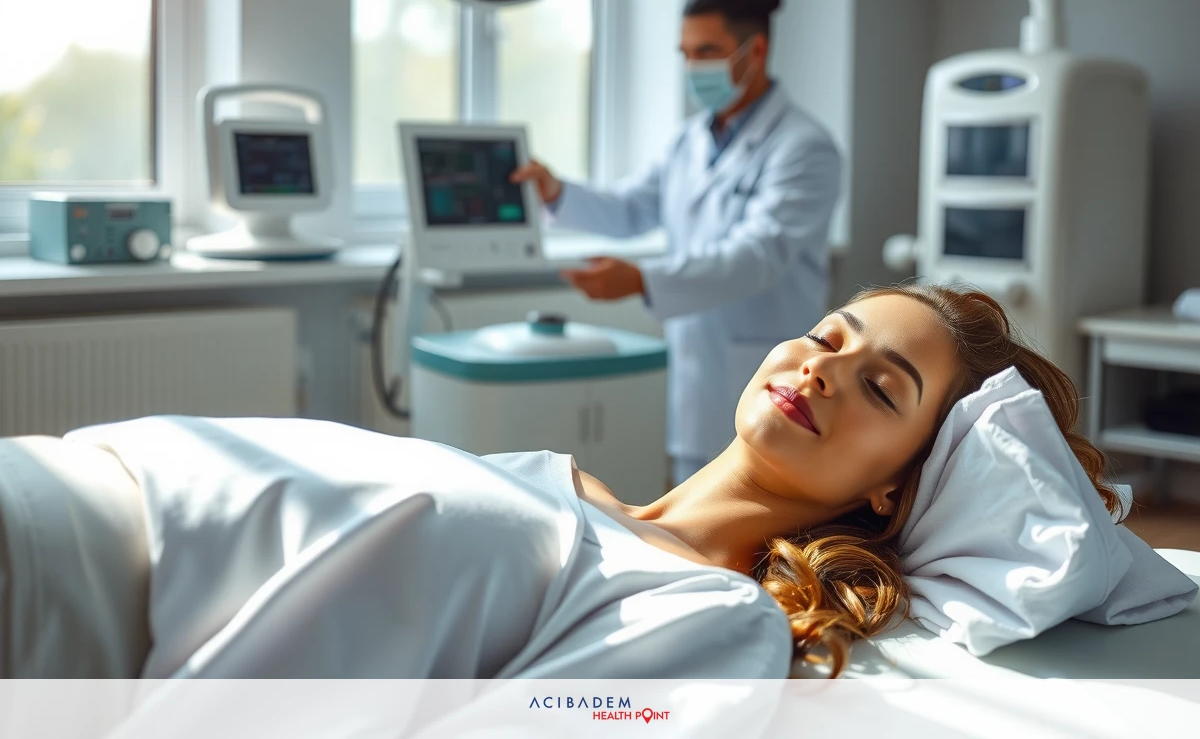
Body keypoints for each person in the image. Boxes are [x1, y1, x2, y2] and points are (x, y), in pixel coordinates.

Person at [5, 284, 1120, 684]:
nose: (822, 363)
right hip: (57, 480)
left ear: (893, 491)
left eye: (881, 385)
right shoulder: (552, 480)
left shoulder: (714, 612)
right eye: (829, 332)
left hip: (82, 602)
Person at [511, 0, 843, 488]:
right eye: (686, 53)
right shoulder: (685, 141)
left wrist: (645, 280)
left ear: (756, 49)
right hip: (699, 379)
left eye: (707, 51)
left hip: (772, 380)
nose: (694, 67)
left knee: (766, 537)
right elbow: (630, 209)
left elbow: (758, 256)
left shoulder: (804, 147)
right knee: (696, 522)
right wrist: (554, 191)